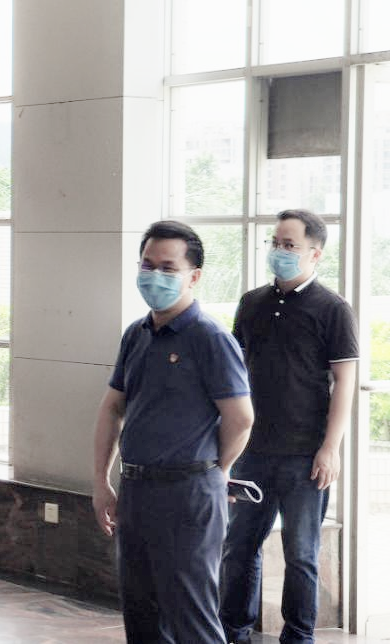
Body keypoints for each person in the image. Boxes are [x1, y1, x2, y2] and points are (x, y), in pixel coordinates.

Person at [91, 220, 254, 644]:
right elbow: (112, 408)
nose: (154, 276)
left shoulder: (210, 338)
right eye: (147, 265)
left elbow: (241, 418)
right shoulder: (136, 334)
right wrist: (101, 481)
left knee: (191, 618)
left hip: (188, 495)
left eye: (168, 268)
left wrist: (217, 469)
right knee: (141, 616)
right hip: (136, 490)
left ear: (194, 276)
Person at [219, 209, 358, 644]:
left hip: (305, 456)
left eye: (289, 245)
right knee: (239, 547)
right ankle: (233, 632)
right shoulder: (251, 303)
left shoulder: (333, 309)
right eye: (275, 242)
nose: (279, 251)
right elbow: (234, 373)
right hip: (251, 452)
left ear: (315, 253)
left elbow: (345, 382)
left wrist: (330, 448)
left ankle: (298, 637)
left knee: (301, 555)